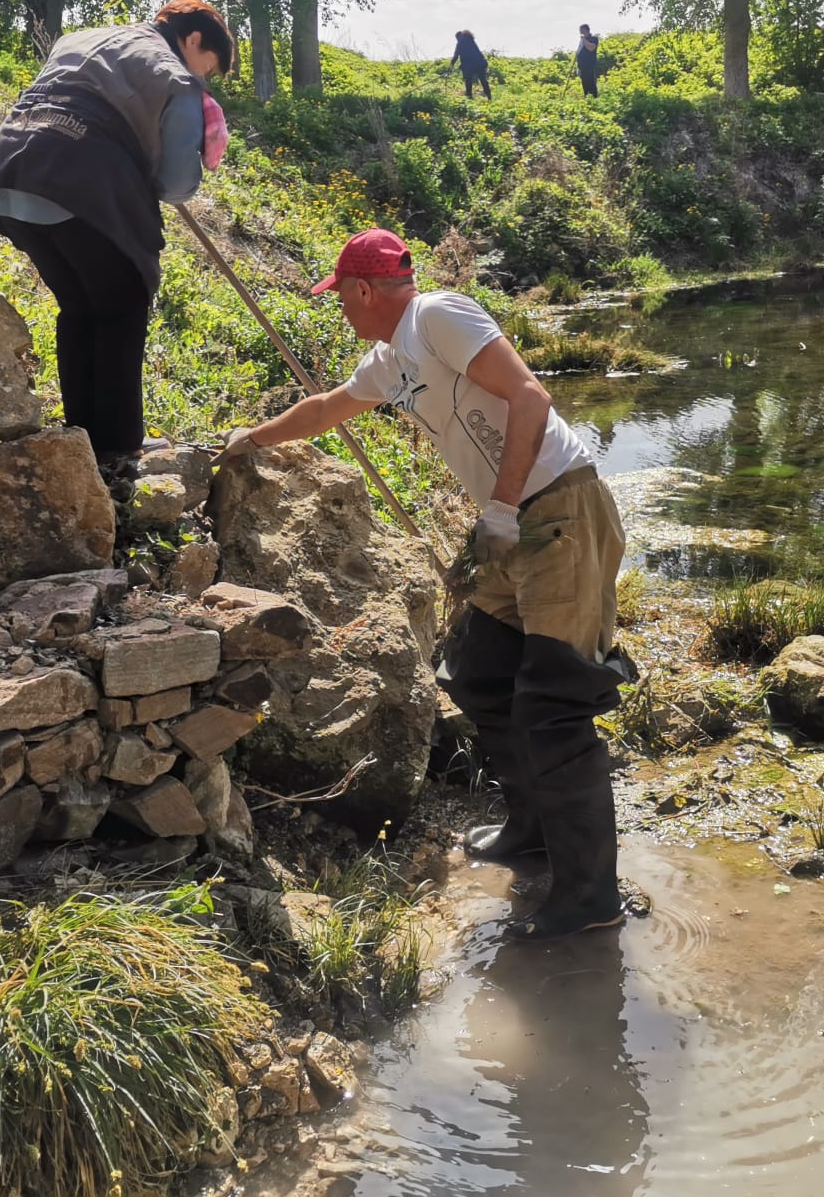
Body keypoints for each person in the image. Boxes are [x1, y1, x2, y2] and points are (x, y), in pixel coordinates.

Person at [223, 227, 636, 940]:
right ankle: (532, 829)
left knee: (556, 703)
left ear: (361, 289)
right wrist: (250, 440)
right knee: (480, 673)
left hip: (559, 506)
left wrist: (502, 508)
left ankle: (591, 897)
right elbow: (325, 409)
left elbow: (529, 398)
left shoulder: (437, 315)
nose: (342, 313)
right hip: (508, 525)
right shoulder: (388, 359)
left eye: (341, 299)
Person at [0, 0, 235, 468]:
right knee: (122, 302)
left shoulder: (80, 38)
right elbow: (176, 184)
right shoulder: (175, 77)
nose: (203, 76)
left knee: (82, 307)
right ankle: (119, 446)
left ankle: (84, 438)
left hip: (12, 169)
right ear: (193, 39)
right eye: (207, 66)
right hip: (82, 183)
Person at [448, 29, 492, 99]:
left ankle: (469, 97)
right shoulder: (471, 41)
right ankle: (489, 96)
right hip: (480, 63)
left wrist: (451, 66)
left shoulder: (460, 43)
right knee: (483, 80)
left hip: (469, 65)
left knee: (468, 81)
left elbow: (456, 56)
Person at [575, 23, 600, 96]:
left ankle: (594, 97)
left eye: (582, 30)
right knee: (584, 83)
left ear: (586, 30)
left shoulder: (593, 38)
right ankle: (587, 97)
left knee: (591, 82)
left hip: (589, 65)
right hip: (582, 66)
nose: (580, 32)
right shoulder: (582, 41)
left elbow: (591, 48)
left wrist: (584, 40)